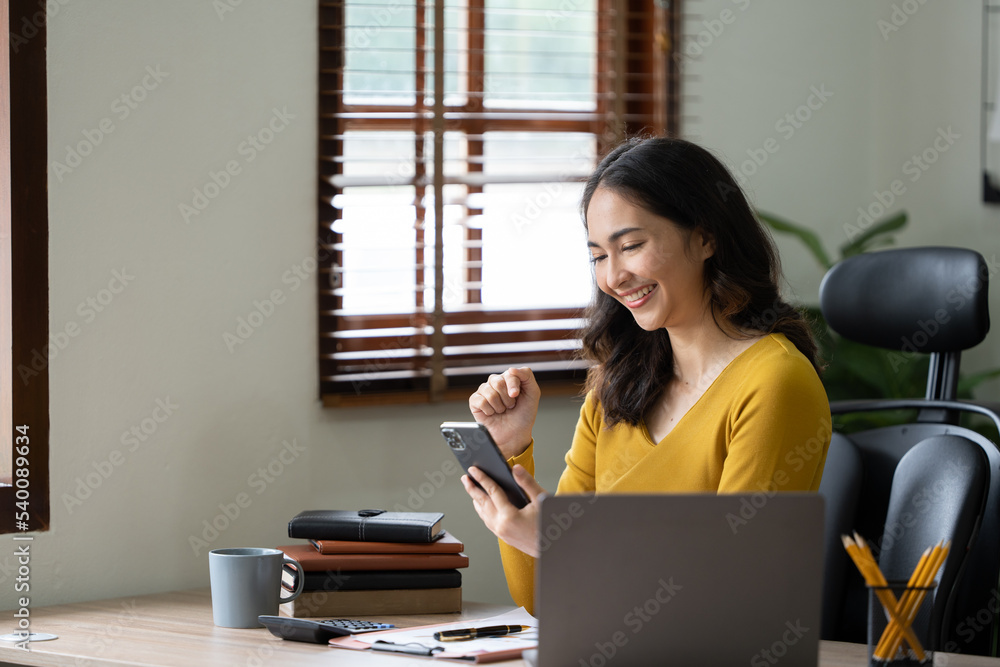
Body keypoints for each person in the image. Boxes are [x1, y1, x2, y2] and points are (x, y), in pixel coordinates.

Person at [461, 136, 831, 614]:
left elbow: (729, 593)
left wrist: (564, 544)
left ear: (705, 237)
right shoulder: (616, 385)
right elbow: (543, 596)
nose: (613, 276)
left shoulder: (775, 383)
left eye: (631, 245)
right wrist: (511, 454)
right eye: (598, 256)